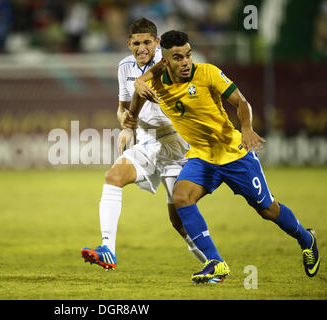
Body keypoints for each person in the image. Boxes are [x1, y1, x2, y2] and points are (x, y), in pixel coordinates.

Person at [124, 30, 320, 283]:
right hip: (202, 156)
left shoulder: (208, 73)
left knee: (268, 210)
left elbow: (241, 103)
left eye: (188, 55)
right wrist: (132, 114)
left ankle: (306, 238)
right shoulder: (156, 80)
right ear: (165, 61)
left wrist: (247, 128)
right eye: (177, 57)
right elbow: (139, 95)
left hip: (233, 154)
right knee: (182, 197)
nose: (185, 62)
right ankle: (216, 262)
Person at [80, 18, 206, 272]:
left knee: (178, 221)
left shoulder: (170, 62)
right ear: (129, 44)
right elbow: (122, 108)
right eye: (136, 43)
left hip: (177, 144)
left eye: (147, 42)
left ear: (157, 42)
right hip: (147, 142)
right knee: (113, 176)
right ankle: (108, 249)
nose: (142, 48)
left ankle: (214, 263)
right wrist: (126, 125)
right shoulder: (124, 67)